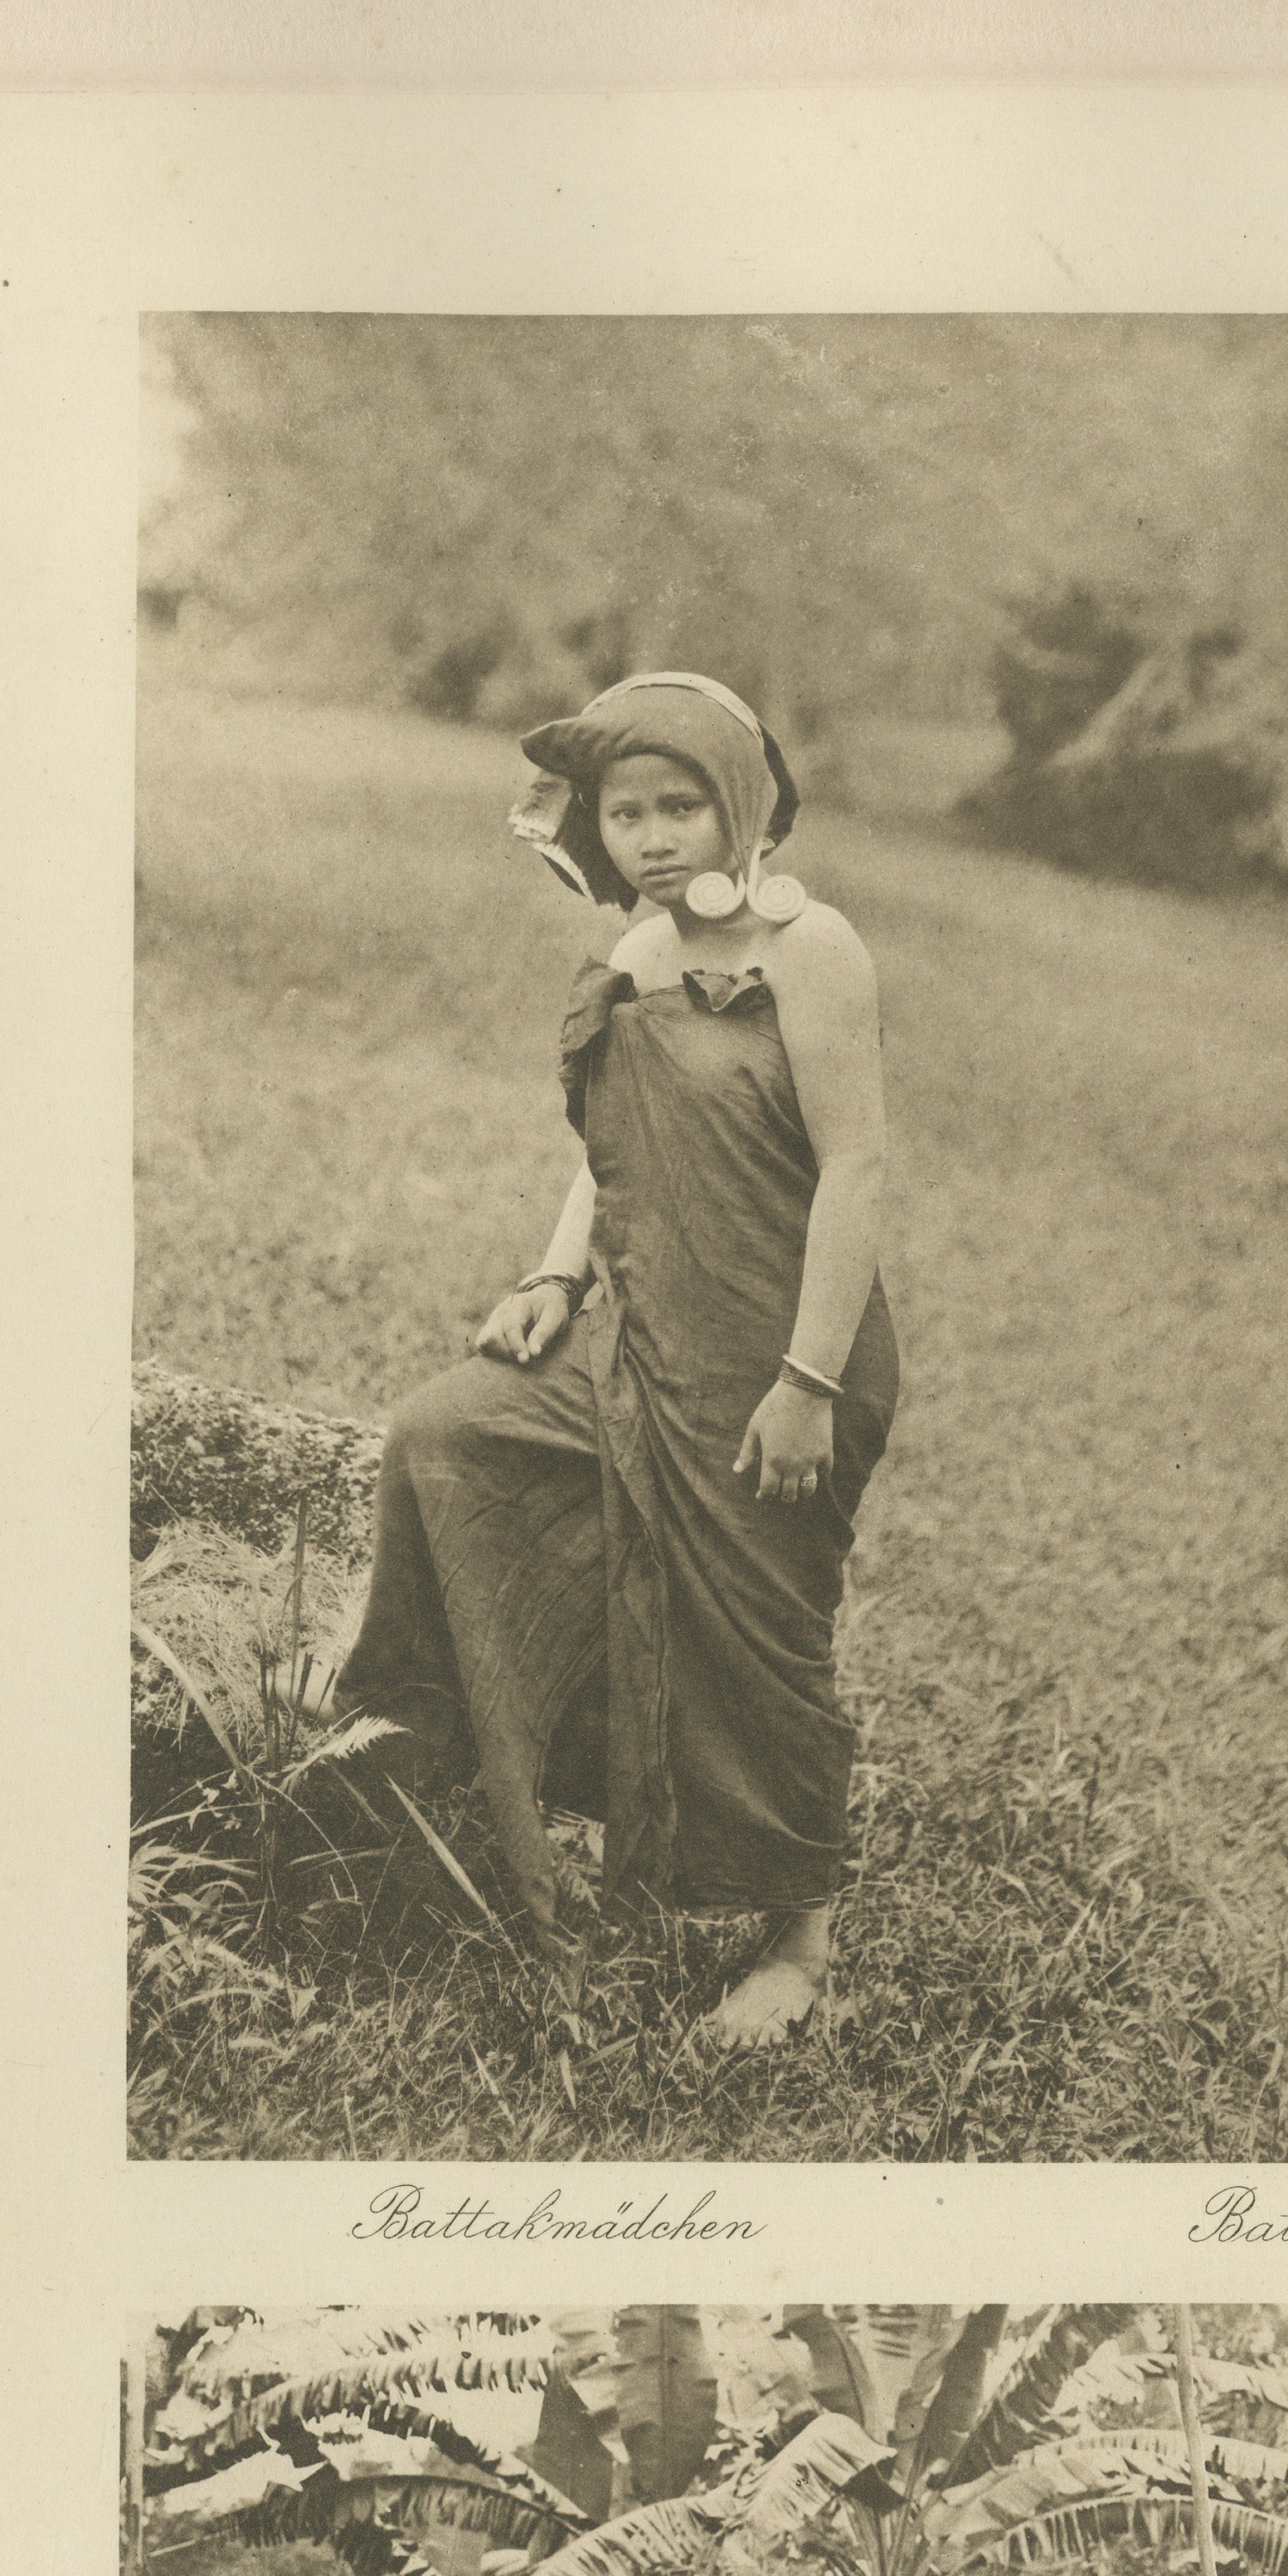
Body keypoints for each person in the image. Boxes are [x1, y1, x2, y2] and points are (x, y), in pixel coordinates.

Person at [333, 670, 900, 2053]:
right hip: (639, 1338)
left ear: (740, 807)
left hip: (781, 1354)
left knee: (762, 1636)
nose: (652, 838)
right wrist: (550, 1275)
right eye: (626, 813)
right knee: (451, 1433)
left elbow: (856, 1167)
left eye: (679, 807)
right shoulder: (636, 960)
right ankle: (442, 1752)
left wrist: (806, 1383)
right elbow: (614, 1151)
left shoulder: (811, 949)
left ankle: (799, 1942)